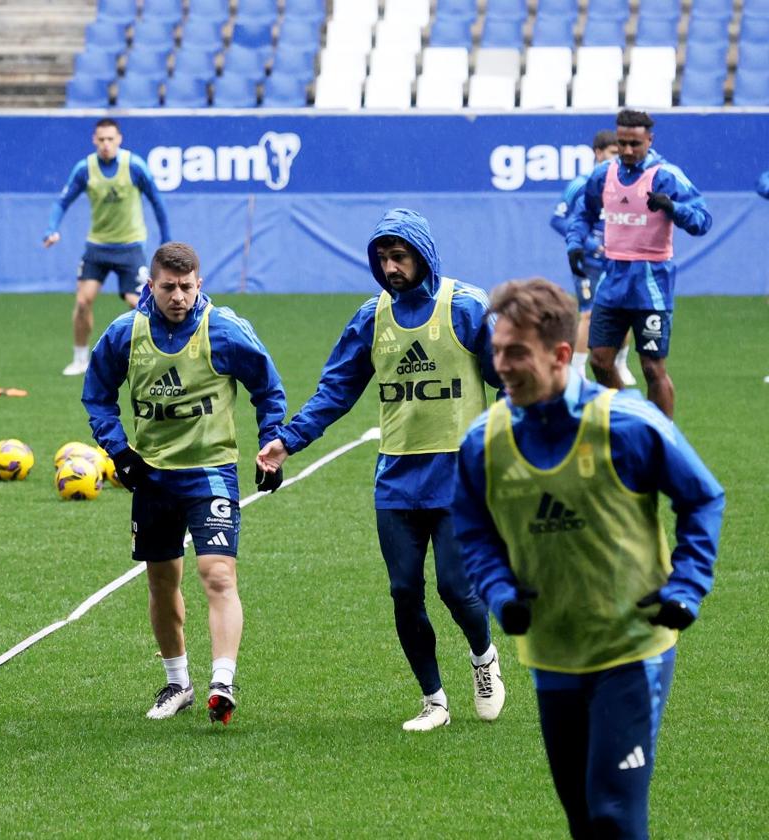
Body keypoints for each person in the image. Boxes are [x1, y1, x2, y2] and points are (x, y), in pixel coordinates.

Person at [453, 277, 723, 839]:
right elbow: (473, 530)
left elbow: (703, 498)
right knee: (581, 817)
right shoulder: (483, 441)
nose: (500, 365)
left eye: (515, 353)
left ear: (558, 354)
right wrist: (500, 593)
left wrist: (687, 586)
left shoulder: (627, 424)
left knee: (615, 816)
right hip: (552, 654)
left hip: (631, 647)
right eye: (496, 350)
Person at [257, 209, 505, 733]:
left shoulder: (466, 308)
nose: (391, 267)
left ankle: (484, 658)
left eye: (400, 256)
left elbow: (512, 376)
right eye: (383, 258)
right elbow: (336, 390)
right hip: (396, 479)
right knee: (403, 591)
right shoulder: (372, 318)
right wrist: (288, 441)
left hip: (461, 475)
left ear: (423, 255)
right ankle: (433, 700)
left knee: (456, 589)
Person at [83, 241, 286, 725]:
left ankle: (222, 679)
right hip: (153, 478)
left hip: (211, 472)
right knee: (161, 581)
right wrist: (119, 452)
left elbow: (268, 389)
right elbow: (97, 396)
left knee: (217, 573)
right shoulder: (125, 334)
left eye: (187, 287)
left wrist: (271, 447)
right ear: (150, 286)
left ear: (200, 285)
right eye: (169, 287)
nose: (178, 296)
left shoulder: (225, 331)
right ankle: (178, 682)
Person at [565, 109, 711, 418]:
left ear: (650, 140)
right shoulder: (603, 174)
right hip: (612, 279)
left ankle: (663, 438)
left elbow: (702, 220)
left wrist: (672, 207)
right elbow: (583, 213)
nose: (628, 151)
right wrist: (576, 244)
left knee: (652, 367)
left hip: (651, 283)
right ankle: (632, 420)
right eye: (622, 144)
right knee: (600, 361)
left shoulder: (665, 175)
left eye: (635, 144)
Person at [44, 117, 171, 376]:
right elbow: (62, 202)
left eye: (110, 139)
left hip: (130, 246)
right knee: (82, 302)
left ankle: (156, 355)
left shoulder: (134, 166)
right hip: (98, 247)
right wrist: (52, 228)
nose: (105, 144)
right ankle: (81, 359)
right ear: (94, 140)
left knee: (138, 305)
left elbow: (158, 202)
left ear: (119, 139)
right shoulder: (85, 169)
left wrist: (166, 240)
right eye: (101, 139)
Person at [550, 129, 636, 385]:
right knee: (589, 313)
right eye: (611, 153)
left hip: (620, 258)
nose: (616, 158)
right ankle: (577, 368)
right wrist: (589, 243)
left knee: (626, 311)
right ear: (598, 153)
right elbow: (557, 219)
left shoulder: (627, 182)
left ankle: (620, 363)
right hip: (590, 261)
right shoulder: (582, 183)